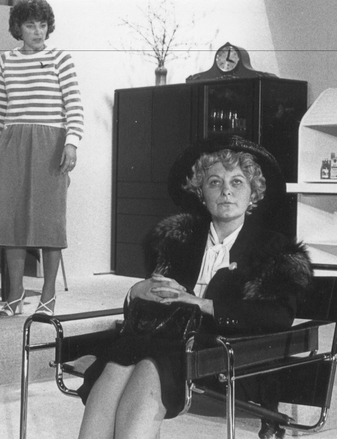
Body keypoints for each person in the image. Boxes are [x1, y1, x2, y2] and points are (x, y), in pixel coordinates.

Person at [77, 136, 312, 439]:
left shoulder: (274, 248)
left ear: (253, 191)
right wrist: (137, 292)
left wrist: (201, 304)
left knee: (148, 363)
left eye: (237, 182)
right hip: (166, 346)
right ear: (201, 192)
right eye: (214, 182)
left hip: (228, 358)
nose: (226, 191)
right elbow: (151, 307)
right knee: (119, 363)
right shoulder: (178, 240)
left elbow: (278, 316)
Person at [0, 0, 84, 317]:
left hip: (51, 145)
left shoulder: (60, 59)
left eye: (42, 24)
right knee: (10, 220)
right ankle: (15, 296)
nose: (37, 31)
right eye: (30, 25)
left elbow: (74, 107)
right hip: (13, 143)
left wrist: (71, 144)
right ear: (18, 28)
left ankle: (48, 297)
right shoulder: (6, 61)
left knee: (49, 222)